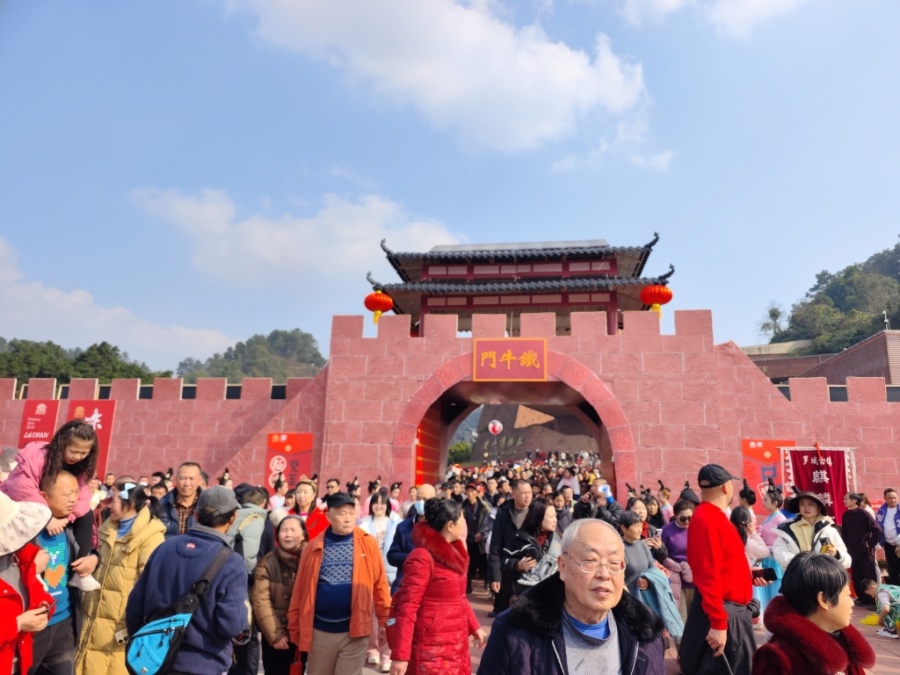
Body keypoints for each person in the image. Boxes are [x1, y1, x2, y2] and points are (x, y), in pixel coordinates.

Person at [478, 518, 665, 674]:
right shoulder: (514, 632)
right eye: (590, 561)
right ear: (563, 567)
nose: (604, 574)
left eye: (614, 563)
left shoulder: (647, 635)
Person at [126, 486, 251, 674]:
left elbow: (135, 606)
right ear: (232, 518)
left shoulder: (165, 547)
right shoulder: (232, 562)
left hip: (153, 661)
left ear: (196, 515)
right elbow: (230, 625)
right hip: (203, 663)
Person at [287, 492, 391, 675]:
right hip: (320, 631)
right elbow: (300, 590)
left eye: (351, 513)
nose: (348, 519)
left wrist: (384, 620)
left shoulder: (368, 544)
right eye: (342, 514)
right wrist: (295, 626)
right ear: (329, 516)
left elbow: (380, 585)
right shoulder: (312, 547)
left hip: (355, 629)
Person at [76, 480, 166, 675]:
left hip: (121, 624)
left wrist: (136, 624)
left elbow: (151, 587)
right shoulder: (107, 529)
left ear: (130, 503)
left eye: (114, 501)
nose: (109, 505)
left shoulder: (150, 537)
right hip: (93, 615)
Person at [387, 498, 486, 675]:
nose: (464, 523)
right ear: (450, 525)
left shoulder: (455, 552)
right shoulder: (422, 557)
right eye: (462, 518)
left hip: (456, 641)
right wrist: (401, 655)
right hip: (430, 646)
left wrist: (474, 626)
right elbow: (407, 608)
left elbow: (459, 597)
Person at [0, 420, 101, 591]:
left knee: (87, 514)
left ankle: (80, 573)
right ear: (62, 444)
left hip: (53, 509)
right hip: (26, 504)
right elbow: (22, 487)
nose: (77, 457)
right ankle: (33, 573)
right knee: (29, 525)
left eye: (83, 453)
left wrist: (67, 518)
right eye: (74, 451)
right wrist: (47, 518)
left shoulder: (82, 467)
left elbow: (83, 496)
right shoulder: (38, 456)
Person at [680, 464, 757, 675]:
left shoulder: (713, 516)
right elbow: (707, 575)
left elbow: (721, 566)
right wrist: (718, 623)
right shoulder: (706, 519)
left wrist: (750, 577)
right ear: (726, 487)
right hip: (723, 613)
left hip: (729, 612)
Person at [752, 553, 875, 674]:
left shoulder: (847, 646)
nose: (852, 603)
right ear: (824, 600)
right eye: (848, 595)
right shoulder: (778, 658)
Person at [33, 470, 98, 675]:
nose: (72, 500)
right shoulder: (25, 530)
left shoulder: (73, 525)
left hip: (64, 622)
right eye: (66, 494)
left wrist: (94, 559)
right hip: (33, 625)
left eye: (76, 493)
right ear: (44, 496)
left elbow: (89, 551)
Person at [0, 492, 55, 675]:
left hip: (19, 664)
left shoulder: (19, 559)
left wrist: (43, 609)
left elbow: (39, 594)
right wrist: (17, 624)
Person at [253, 515, 308, 675]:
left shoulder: (312, 558)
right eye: (284, 530)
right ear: (277, 535)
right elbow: (261, 600)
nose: (288, 534)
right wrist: (275, 634)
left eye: (293, 530)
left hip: (302, 633)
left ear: (303, 534)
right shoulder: (267, 562)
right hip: (278, 634)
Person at [357, 491, 401, 672]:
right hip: (369, 573)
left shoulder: (396, 523)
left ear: (388, 506)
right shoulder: (363, 524)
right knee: (371, 614)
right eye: (376, 502)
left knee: (389, 614)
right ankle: (372, 650)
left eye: (383, 503)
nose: (379, 506)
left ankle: (388, 654)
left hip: (390, 575)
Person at [488, 479, 533, 617]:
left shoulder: (536, 513)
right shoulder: (503, 515)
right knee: (502, 614)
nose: (527, 496)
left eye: (529, 492)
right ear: (513, 494)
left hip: (530, 570)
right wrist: (495, 576)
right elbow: (495, 547)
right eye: (523, 493)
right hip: (507, 569)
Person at [772, 492, 851, 570]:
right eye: (802, 504)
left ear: (819, 508)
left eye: (811, 504)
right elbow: (779, 551)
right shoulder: (788, 529)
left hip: (823, 575)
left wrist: (836, 554)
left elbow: (847, 561)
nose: (806, 507)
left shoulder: (828, 530)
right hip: (797, 574)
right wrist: (801, 562)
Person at [388, 484, 436, 595]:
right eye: (419, 499)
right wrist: (413, 557)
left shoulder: (440, 526)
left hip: (431, 588)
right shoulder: (403, 527)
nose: (421, 502)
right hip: (405, 585)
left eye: (425, 499)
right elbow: (392, 556)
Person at [506, 500, 560, 596]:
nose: (555, 520)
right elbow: (504, 562)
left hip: (550, 593)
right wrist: (518, 566)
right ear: (538, 517)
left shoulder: (557, 540)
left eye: (555, 516)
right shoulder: (520, 539)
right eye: (551, 516)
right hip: (525, 592)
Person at [841, 492, 882, 607]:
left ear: (854, 500)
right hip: (852, 550)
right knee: (857, 575)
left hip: (865, 551)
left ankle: (874, 600)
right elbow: (844, 533)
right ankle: (862, 598)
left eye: (846, 499)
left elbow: (877, 529)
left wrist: (870, 543)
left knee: (869, 574)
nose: (844, 501)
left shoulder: (864, 513)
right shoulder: (846, 515)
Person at [660, 498, 694, 622]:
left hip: (695, 579)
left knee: (695, 618)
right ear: (675, 516)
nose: (687, 521)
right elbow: (661, 555)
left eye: (690, 518)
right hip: (675, 580)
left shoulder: (698, 528)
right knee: (681, 618)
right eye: (683, 518)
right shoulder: (666, 531)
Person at [755, 487, 787, 614]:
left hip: (775, 559)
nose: (763, 502)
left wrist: (767, 548)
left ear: (775, 502)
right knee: (767, 591)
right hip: (766, 559)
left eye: (766, 500)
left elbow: (783, 543)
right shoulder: (769, 517)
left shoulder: (780, 520)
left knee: (775, 591)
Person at [156, 461, 203, 537]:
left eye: (191, 479)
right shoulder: (161, 505)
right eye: (182, 478)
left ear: (199, 480)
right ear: (176, 479)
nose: (187, 483)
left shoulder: (208, 505)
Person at [461, 483, 491, 595]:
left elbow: (489, 523)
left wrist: (481, 533)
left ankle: (487, 581)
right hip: (467, 539)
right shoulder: (462, 507)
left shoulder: (484, 507)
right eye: (468, 491)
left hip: (481, 541)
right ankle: (468, 586)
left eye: (472, 491)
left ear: (477, 493)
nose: (470, 494)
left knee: (484, 564)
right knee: (468, 564)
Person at [875, 487, 900, 585]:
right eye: (890, 498)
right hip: (889, 545)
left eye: (895, 497)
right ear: (885, 498)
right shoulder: (881, 511)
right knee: (893, 569)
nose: (893, 500)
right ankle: (896, 590)